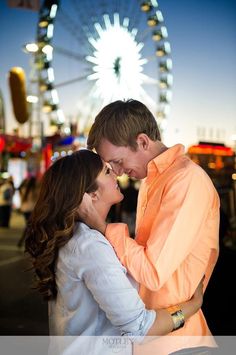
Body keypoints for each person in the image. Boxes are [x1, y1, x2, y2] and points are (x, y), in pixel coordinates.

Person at [24, 150, 203, 354]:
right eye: (107, 171)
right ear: (92, 194)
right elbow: (140, 328)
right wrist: (192, 306)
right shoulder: (90, 246)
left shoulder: (77, 237)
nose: (116, 174)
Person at [81, 99, 220, 354]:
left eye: (119, 162)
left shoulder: (186, 180)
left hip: (179, 341)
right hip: (156, 335)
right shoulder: (152, 180)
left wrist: (104, 228)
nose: (119, 172)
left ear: (143, 141)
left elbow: (153, 272)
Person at [17, 176, 40, 247]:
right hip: (32, 209)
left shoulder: (23, 189)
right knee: (30, 226)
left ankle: (24, 241)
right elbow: (38, 199)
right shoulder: (34, 190)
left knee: (29, 225)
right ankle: (24, 240)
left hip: (25, 209)